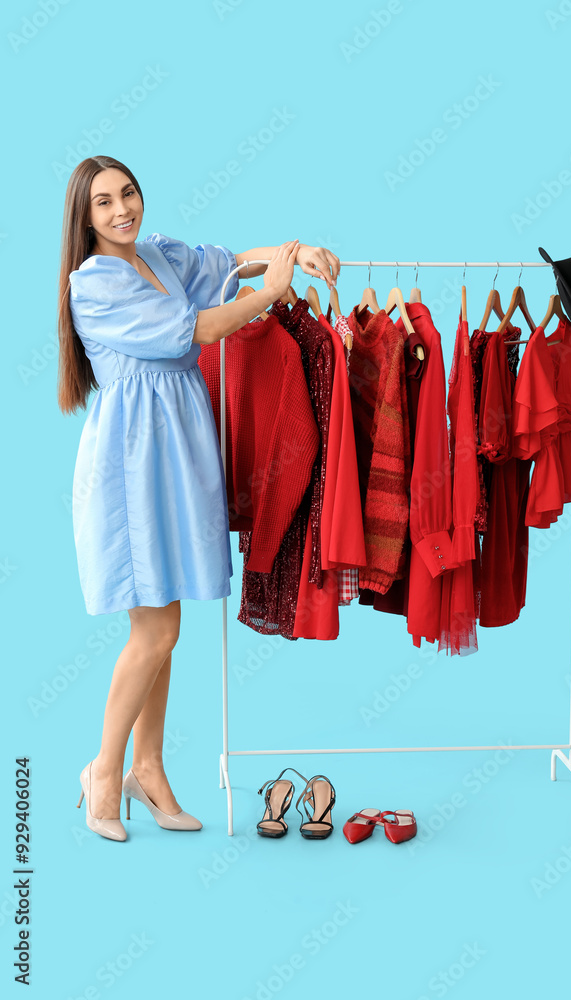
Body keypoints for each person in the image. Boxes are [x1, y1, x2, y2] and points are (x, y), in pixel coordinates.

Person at [57, 155, 340, 841]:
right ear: (84, 217)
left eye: (128, 193)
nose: (122, 209)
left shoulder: (157, 253)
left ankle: (148, 768)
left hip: (178, 446)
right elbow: (198, 331)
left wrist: (295, 252)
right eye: (104, 203)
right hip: (133, 460)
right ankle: (103, 770)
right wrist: (273, 292)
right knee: (155, 628)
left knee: (166, 629)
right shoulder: (92, 282)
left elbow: (232, 260)